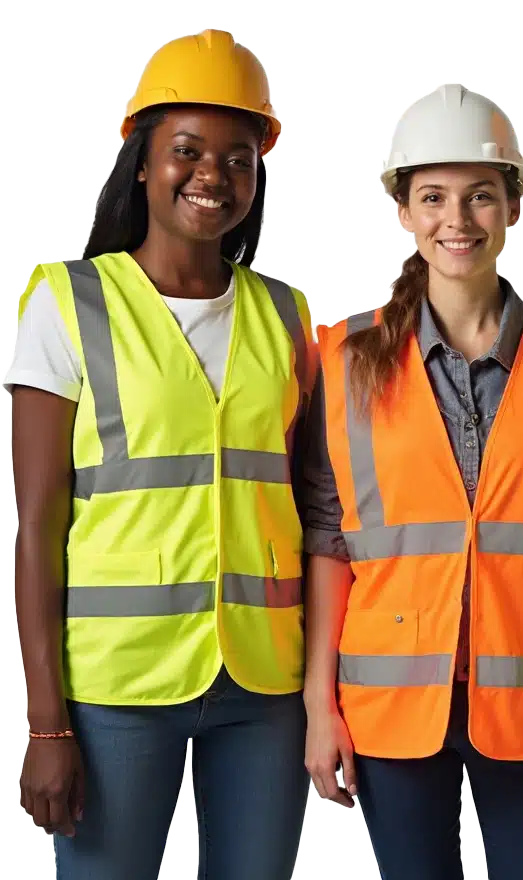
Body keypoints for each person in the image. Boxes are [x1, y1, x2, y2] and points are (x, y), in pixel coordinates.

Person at [6, 29, 316, 880]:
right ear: (142, 162)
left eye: (240, 157)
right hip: (118, 687)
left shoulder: (287, 320)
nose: (213, 175)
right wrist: (45, 724)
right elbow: (36, 526)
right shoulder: (69, 304)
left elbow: (315, 510)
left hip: (262, 682)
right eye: (188, 150)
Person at [300, 81, 523, 880]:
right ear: (405, 212)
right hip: (388, 706)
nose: (458, 220)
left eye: (482, 196)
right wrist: (318, 706)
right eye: (435, 197)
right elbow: (327, 539)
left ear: (514, 205)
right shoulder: (342, 362)